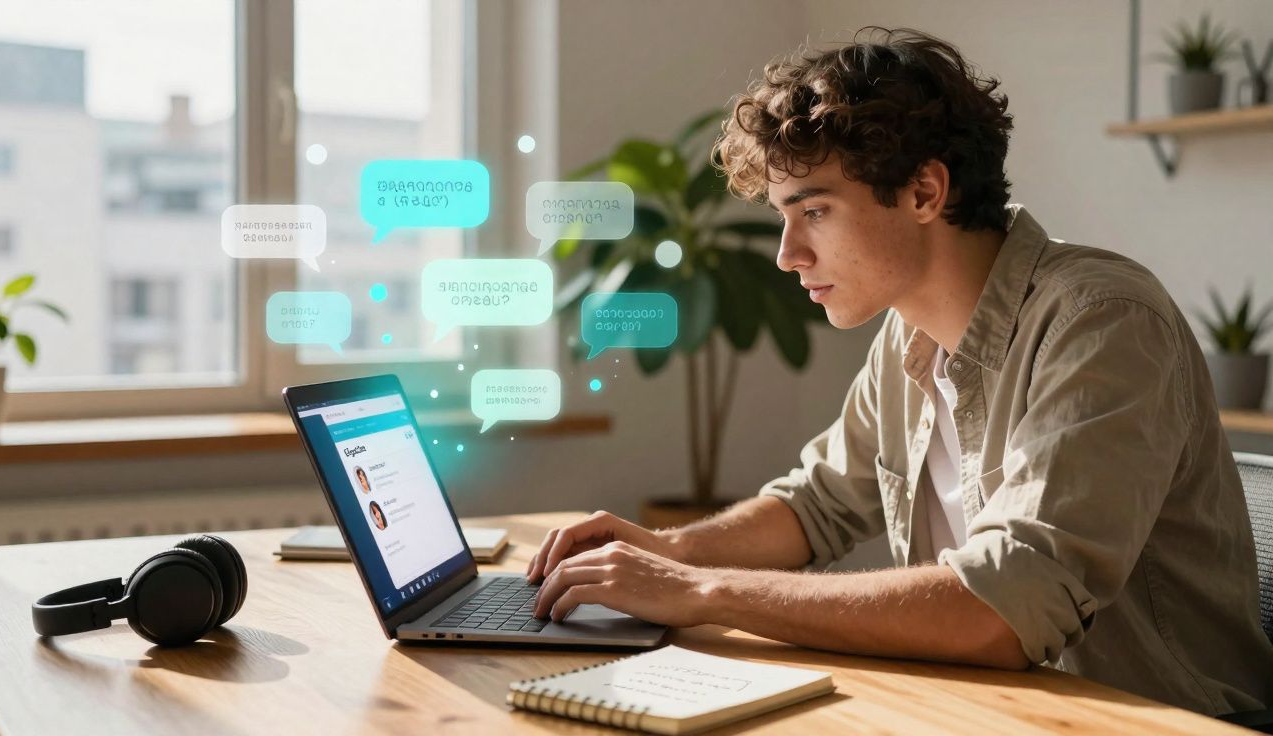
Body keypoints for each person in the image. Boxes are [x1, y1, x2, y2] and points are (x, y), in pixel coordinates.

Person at [528, 27, 1273, 715]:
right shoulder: (908, 333)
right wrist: (667, 552)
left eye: (814, 211)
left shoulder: (1103, 321)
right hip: (983, 710)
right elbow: (816, 505)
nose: (787, 254)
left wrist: (702, 590)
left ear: (924, 192)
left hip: (1149, 721)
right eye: (783, 217)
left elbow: (1005, 607)